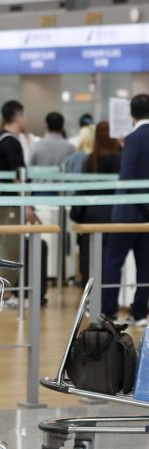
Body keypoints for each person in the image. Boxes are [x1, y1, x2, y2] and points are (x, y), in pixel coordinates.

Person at [102, 94, 149, 326]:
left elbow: (128, 176)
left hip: (128, 213)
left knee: (113, 261)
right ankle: (140, 312)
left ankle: (108, 310)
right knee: (145, 263)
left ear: (131, 114)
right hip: (146, 215)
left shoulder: (132, 138)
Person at [0, 100, 28, 305]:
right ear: (19, 116)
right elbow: (18, 176)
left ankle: (2, 290)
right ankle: (2, 292)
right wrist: (27, 204)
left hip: (1, 198)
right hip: (10, 200)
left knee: (5, 243)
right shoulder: (11, 142)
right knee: (9, 245)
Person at [72, 121, 120, 284]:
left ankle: (89, 294)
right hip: (112, 214)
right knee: (109, 257)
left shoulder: (90, 159)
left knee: (88, 256)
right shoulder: (117, 159)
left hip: (90, 214)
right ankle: (106, 295)